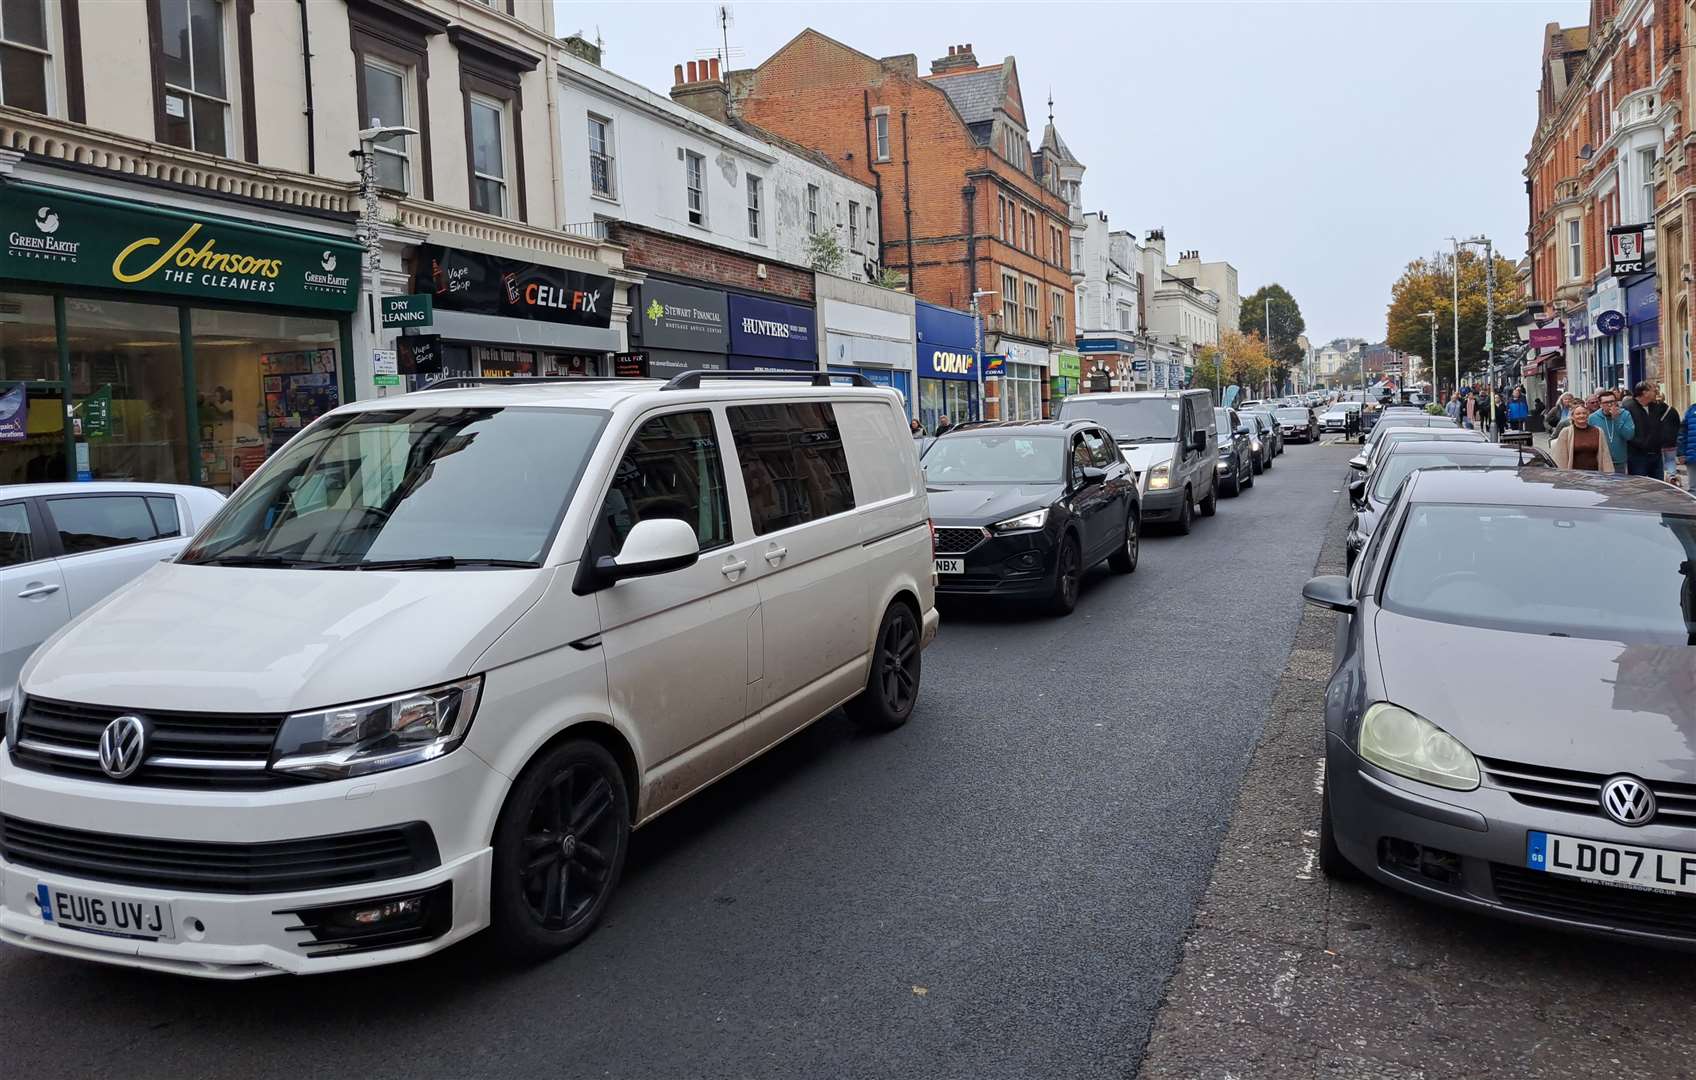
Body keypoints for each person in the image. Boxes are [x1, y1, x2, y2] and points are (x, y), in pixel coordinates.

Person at [1551, 402, 1613, 472]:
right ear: (1572, 417)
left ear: (1588, 415)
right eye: (1578, 414)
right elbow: (1561, 457)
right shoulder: (1566, 432)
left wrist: (1608, 474)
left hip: (1595, 474)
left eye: (1584, 413)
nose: (1581, 416)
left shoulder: (1598, 431)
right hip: (1574, 475)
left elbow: (1605, 455)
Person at [1622, 381, 1662, 478]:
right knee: (1639, 485)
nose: (1656, 392)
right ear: (1645, 393)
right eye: (1654, 390)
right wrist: (1640, 443)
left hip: (1656, 454)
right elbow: (1625, 430)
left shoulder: (1655, 407)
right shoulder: (1628, 407)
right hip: (1637, 455)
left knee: (1659, 486)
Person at [1592, 389, 1635, 475]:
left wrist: (1617, 419)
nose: (1610, 404)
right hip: (1600, 461)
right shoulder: (1593, 418)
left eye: (1612, 401)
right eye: (1606, 402)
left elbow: (1629, 436)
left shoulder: (1625, 414)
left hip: (1619, 461)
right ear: (1600, 405)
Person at [1646, 384, 1682, 483]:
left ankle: (1661, 480)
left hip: (1657, 442)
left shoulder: (1651, 410)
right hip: (1671, 441)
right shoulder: (1672, 410)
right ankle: (1671, 476)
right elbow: (1678, 424)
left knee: (1659, 464)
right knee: (1670, 461)